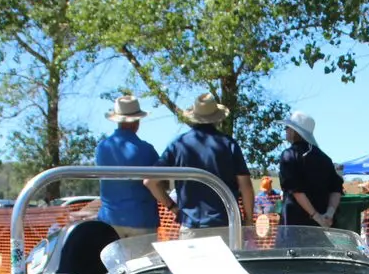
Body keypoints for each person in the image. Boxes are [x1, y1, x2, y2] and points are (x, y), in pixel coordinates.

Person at [152, 93, 255, 229]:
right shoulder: (229, 144)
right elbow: (245, 186)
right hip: (226, 225)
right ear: (216, 118)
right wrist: (248, 220)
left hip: (190, 225)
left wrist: (173, 207)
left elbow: (150, 182)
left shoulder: (178, 144)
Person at [93, 95, 162, 237]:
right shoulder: (146, 150)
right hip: (141, 220)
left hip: (109, 220)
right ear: (136, 121)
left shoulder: (102, 148)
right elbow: (160, 182)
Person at [278, 111, 343, 227]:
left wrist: (316, 216)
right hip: (322, 227)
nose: (285, 130)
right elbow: (336, 188)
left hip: (295, 227)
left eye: (287, 127)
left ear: (294, 131)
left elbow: (296, 190)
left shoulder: (289, 155)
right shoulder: (325, 158)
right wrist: (329, 214)